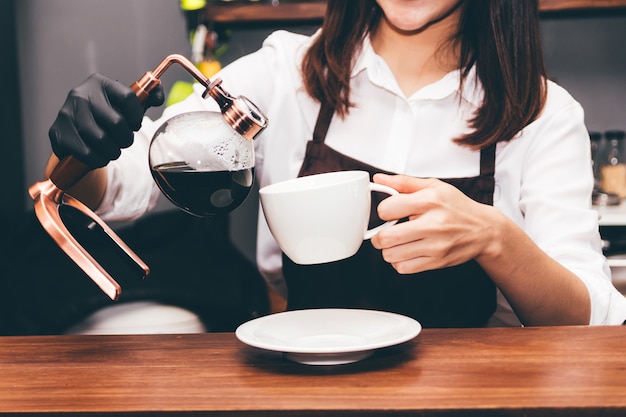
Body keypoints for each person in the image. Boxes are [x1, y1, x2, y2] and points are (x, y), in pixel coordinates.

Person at [43, 0, 626, 327]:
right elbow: (117, 188)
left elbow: (593, 321)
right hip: (304, 386)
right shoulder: (278, 76)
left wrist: (498, 239)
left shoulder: (543, 114)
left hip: (474, 395)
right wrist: (81, 148)